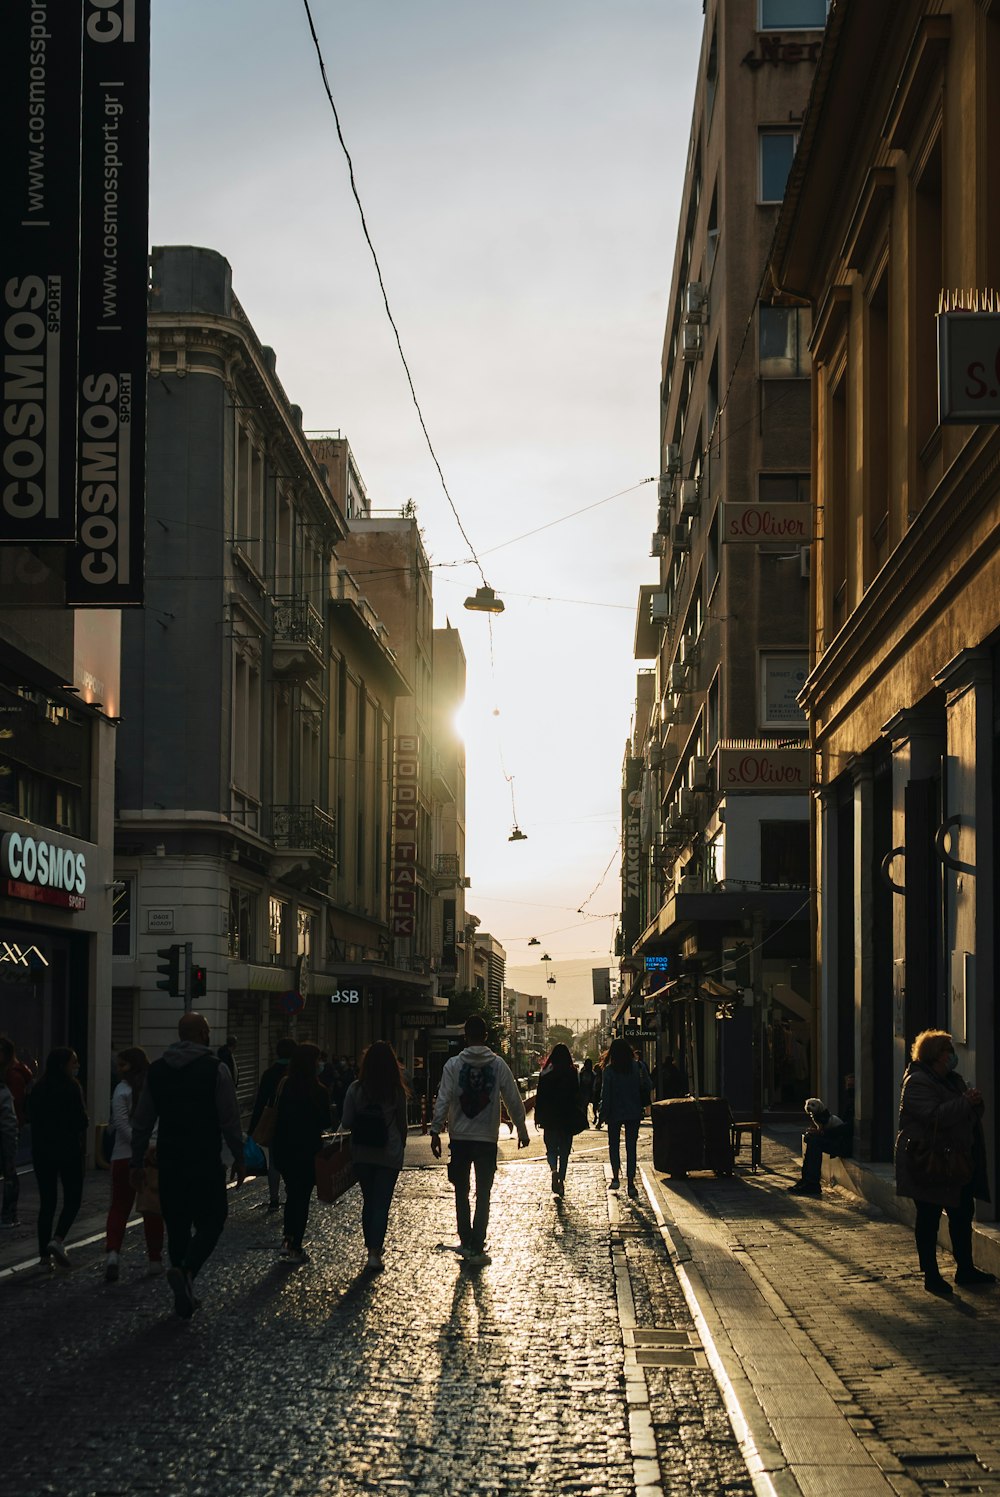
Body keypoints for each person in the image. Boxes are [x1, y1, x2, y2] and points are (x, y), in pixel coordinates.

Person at [130, 1013, 245, 1318]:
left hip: (169, 1160)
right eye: (206, 1031)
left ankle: (183, 1283)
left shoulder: (157, 1071)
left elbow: (142, 1121)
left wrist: (136, 1160)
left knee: (177, 1225)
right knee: (214, 1218)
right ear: (201, 1034)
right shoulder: (215, 1070)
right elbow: (230, 1120)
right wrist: (240, 1155)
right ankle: (187, 1270)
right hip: (205, 1159)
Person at [895, 1029, 994, 1296]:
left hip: (955, 1162)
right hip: (928, 1161)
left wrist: (974, 1103)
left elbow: (966, 1113)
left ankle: (966, 1268)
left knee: (962, 1214)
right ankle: (931, 1274)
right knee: (928, 1218)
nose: (952, 1055)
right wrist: (964, 1103)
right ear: (936, 1055)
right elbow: (933, 1116)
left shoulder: (952, 1080)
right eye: (948, 1050)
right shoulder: (917, 1081)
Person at [430, 1014, 529, 1265]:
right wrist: (521, 1128)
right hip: (486, 1137)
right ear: (485, 1036)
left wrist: (435, 1130)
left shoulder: (453, 1065)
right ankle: (478, 1242)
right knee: (483, 1192)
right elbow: (513, 1098)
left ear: (465, 1036)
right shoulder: (497, 1065)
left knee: (461, 1191)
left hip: (460, 1137)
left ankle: (465, 1239)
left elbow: (443, 1098)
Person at [342, 1041, 409, 1271]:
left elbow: (346, 1122)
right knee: (381, 1205)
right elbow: (402, 1123)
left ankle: (370, 1246)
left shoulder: (355, 1089)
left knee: (368, 1201)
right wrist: (401, 1146)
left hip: (361, 1152)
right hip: (388, 1152)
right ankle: (374, 1253)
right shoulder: (396, 1090)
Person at [103, 1048, 164, 1282]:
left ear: (133, 1065)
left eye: (122, 1065)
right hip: (151, 1157)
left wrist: (137, 1143)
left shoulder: (121, 1090)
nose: (118, 1070)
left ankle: (113, 1253)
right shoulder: (153, 1088)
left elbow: (120, 1122)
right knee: (152, 1208)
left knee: (119, 1206)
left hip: (123, 1156)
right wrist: (149, 1145)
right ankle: (155, 1259)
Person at [271, 1043, 331, 1264]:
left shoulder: (285, 1085)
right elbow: (326, 1122)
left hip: (284, 1149)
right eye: (317, 1060)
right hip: (307, 1151)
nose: (320, 1064)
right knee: (301, 1197)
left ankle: (288, 1238)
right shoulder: (319, 1091)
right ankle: (295, 1244)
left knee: (292, 1194)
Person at [28, 1048, 88, 1268]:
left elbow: (30, 1117)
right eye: (74, 1062)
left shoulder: (38, 1088)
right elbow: (81, 1121)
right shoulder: (72, 1088)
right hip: (68, 1151)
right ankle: (58, 1238)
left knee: (47, 1202)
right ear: (64, 1065)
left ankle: (44, 1255)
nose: (76, 1066)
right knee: (73, 1198)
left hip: (42, 1152)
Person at [248, 1037, 296, 1213]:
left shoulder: (269, 1073)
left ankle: (274, 1199)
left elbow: (261, 1102)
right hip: (294, 1125)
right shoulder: (298, 1073)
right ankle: (291, 1193)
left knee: (274, 1163)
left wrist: (253, 1128)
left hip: (275, 1125)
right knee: (292, 1162)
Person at [599, 1036, 648, 1197]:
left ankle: (615, 1177)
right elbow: (648, 1085)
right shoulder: (637, 1067)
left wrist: (602, 1115)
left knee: (613, 1145)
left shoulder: (609, 1071)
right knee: (631, 1147)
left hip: (614, 1113)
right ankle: (631, 1183)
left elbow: (605, 1095)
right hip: (633, 1111)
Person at [787, 1082, 854, 1197]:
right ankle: (806, 1179)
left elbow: (847, 1128)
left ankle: (812, 1183)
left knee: (815, 1142)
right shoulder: (850, 1104)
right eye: (847, 1084)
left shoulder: (856, 1105)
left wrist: (823, 1132)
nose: (848, 1088)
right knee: (810, 1138)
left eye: (851, 1085)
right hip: (838, 1139)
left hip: (844, 1143)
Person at [535, 1044, 584, 1198]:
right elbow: (577, 1095)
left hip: (550, 1118)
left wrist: (538, 1117)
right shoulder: (572, 1072)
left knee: (551, 1149)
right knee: (564, 1151)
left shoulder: (545, 1073)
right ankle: (561, 1179)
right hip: (567, 1117)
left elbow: (540, 1097)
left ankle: (553, 1170)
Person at [0, 1077, 17, 1227]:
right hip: (3, 1146)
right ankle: (7, 1217)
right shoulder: (3, 1092)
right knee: (10, 1179)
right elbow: (9, 1126)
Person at [591, 1062, 603, 1127]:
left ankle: (599, 1120)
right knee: (595, 1107)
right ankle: (596, 1117)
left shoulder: (602, 1077)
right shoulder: (594, 1076)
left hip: (599, 1092)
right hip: (596, 1092)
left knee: (599, 1108)